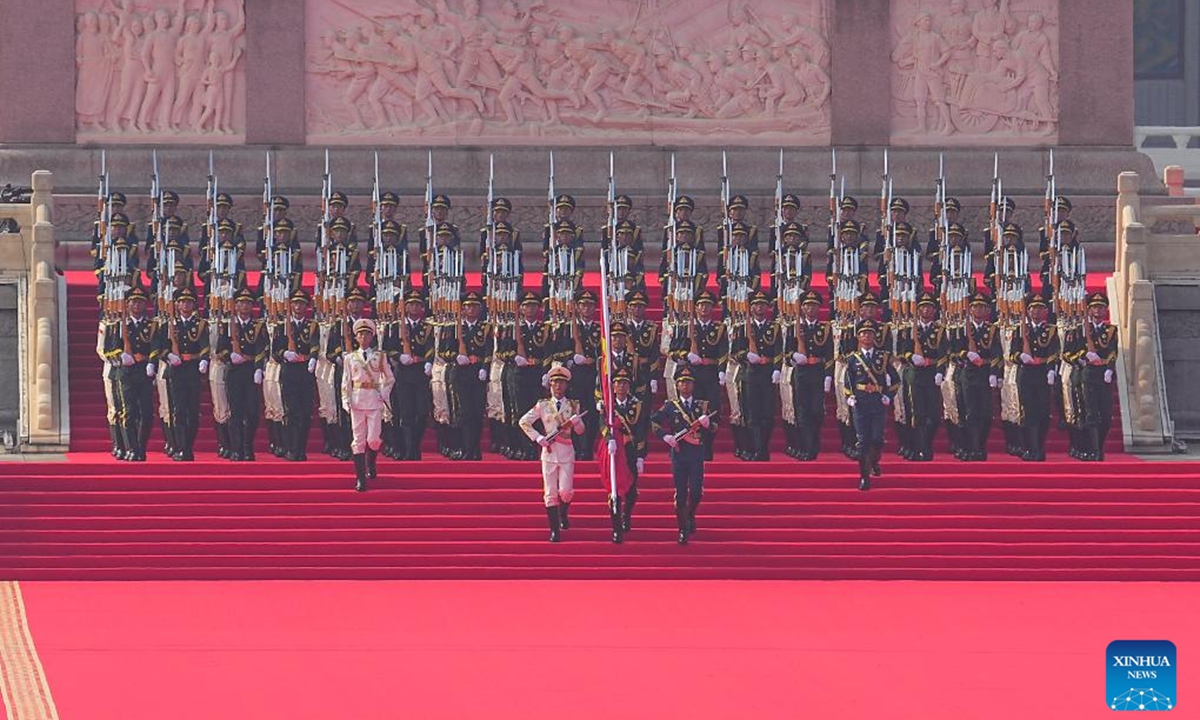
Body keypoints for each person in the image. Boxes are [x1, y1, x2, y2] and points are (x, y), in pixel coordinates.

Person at [519, 366, 585, 543]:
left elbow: (580, 431)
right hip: (548, 452)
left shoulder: (573, 405)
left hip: (566, 452)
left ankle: (562, 513)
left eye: (562, 382)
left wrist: (577, 423)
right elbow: (524, 421)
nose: (558, 386)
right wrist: (538, 437)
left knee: (566, 492)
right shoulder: (543, 405)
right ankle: (554, 530)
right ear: (550, 385)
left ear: (566, 385)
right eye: (555, 382)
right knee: (550, 492)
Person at [652, 368, 716, 545]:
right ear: (677, 385)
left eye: (688, 382)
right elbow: (654, 420)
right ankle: (682, 528)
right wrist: (665, 436)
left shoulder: (701, 406)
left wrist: (708, 424)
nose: (685, 385)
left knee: (696, 491)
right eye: (682, 382)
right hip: (679, 453)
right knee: (680, 493)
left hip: (696, 453)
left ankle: (690, 514)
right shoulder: (671, 406)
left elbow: (715, 427)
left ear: (693, 385)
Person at [844, 320, 900, 490]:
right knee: (862, 441)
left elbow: (896, 380)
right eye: (863, 333)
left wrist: (889, 395)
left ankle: (874, 461)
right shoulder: (853, 359)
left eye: (870, 333)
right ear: (858, 336)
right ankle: (864, 477)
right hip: (860, 402)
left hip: (877, 401)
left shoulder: (883, 357)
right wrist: (850, 396)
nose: (867, 336)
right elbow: (848, 381)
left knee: (877, 440)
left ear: (875, 336)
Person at [156, 288, 209, 461]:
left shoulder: (200, 324)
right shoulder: (169, 324)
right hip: (176, 371)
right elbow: (160, 347)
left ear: (194, 304)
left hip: (192, 370)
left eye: (189, 301)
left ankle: (189, 445)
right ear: (177, 304)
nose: (186, 304)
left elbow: (205, 345)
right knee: (178, 411)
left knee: (193, 412)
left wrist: (204, 359)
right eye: (182, 301)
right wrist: (168, 356)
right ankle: (180, 447)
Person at [343, 318, 396, 491]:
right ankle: (360, 479)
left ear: (372, 336)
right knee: (358, 440)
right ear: (356, 337)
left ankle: (370, 462)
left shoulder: (379, 356)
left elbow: (389, 378)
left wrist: (384, 393)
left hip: (374, 399)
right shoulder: (350, 358)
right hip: (357, 400)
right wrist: (346, 400)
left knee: (373, 439)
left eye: (367, 334)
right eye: (360, 334)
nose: (363, 337)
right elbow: (346, 382)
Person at [217, 288, 268, 461]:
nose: (244, 305)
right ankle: (236, 448)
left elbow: (263, 347)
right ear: (236, 305)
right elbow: (220, 349)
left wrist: (258, 366)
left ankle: (248, 446)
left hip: (251, 372)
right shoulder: (228, 326)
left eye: (247, 303)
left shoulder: (258, 326)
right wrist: (229, 356)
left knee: (252, 412)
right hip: (234, 372)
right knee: (235, 412)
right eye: (241, 302)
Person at [383, 289, 435, 460]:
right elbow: (388, 348)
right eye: (410, 304)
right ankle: (408, 450)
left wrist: (428, 361)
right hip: (403, 375)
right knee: (405, 414)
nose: (413, 307)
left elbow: (430, 347)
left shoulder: (427, 328)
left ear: (421, 307)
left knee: (421, 413)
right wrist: (399, 356)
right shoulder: (395, 327)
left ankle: (415, 444)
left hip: (420, 374)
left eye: (417, 304)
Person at [783, 289, 834, 460]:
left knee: (817, 411)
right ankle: (806, 447)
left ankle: (814, 443)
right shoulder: (794, 328)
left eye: (814, 306)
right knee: (802, 411)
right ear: (802, 308)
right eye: (807, 306)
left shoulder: (825, 328)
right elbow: (786, 353)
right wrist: (793, 357)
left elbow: (829, 353)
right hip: (801, 373)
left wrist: (828, 375)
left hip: (817, 372)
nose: (810, 309)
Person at [952, 292, 1002, 461]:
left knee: (986, 414)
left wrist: (995, 373)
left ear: (987, 310)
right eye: (975, 306)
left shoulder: (992, 329)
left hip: (985, 373)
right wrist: (966, 354)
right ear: (970, 309)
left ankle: (981, 446)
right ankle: (970, 447)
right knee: (969, 412)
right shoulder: (962, 328)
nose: (978, 310)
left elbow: (997, 352)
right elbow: (952, 351)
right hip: (968, 373)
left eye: (982, 307)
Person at [272, 289, 321, 461]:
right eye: (295, 303)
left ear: (307, 306)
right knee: (291, 412)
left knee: (305, 413)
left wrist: (313, 358)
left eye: (301, 303)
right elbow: (275, 350)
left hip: (305, 371)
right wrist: (285, 353)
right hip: (289, 372)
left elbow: (315, 345)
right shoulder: (282, 326)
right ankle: (290, 448)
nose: (298, 306)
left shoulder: (312, 326)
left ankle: (301, 448)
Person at [1011, 293, 1060, 461]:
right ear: (1029, 311)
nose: (1037, 312)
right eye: (1033, 308)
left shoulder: (1051, 330)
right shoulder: (1020, 330)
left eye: (1040, 308)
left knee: (1043, 414)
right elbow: (1012, 354)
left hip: (1043, 374)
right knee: (1028, 413)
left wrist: (1051, 369)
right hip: (1026, 374)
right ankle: (1031, 448)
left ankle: (1039, 446)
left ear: (1045, 311)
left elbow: (1054, 351)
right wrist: (1020, 357)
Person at [605, 368, 647, 541]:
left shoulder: (637, 405)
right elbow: (602, 423)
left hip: (630, 451)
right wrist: (609, 438)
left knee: (631, 492)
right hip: (614, 452)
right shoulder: (608, 405)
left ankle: (626, 515)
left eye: (625, 383)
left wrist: (640, 456)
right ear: (613, 386)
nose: (621, 386)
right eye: (618, 383)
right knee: (614, 491)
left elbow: (642, 430)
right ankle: (616, 528)